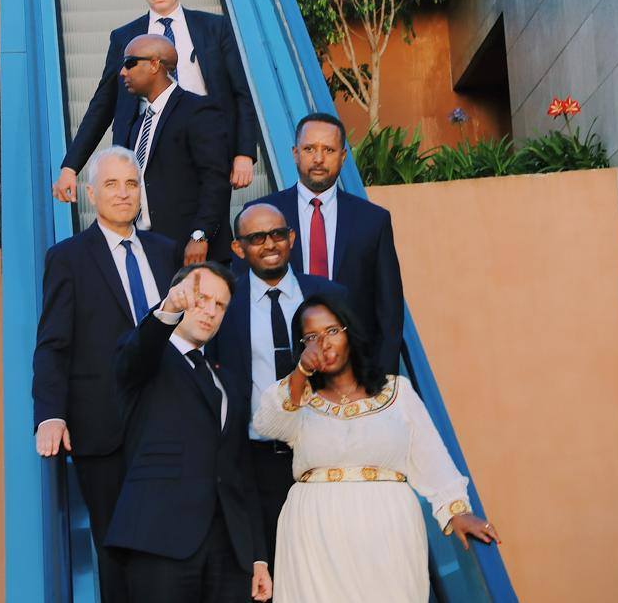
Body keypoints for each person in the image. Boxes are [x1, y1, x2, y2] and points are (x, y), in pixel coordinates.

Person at [253, 293, 500, 601]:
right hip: (313, 533)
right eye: (311, 338)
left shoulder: (398, 392)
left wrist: (456, 512)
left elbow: (431, 457)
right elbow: (265, 424)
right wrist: (300, 374)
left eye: (331, 331)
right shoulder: (299, 402)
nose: (323, 344)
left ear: (349, 332)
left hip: (387, 529)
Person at [32, 146, 180, 603]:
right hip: (103, 429)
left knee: (175, 543)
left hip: (169, 422)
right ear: (90, 194)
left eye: (131, 184)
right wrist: (51, 413)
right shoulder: (68, 258)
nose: (123, 193)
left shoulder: (166, 251)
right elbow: (54, 343)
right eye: (111, 185)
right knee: (117, 551)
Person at [106, 263, 272, 603]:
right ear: (179, 296)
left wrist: (257, 555)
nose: (210, 311)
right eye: (202, 299)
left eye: (220, 305)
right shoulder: (145, 356)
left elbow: (240, 471)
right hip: (160, 539)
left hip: (229, 549)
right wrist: (168, 310)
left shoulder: (225, 379)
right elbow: (138, 353)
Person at [53, 0, 261, 200]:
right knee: (150, 231)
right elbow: (103, 104)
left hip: (205, 144)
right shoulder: (124, 38)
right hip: (144, 148)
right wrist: (70, 166)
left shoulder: (214, 28)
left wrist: (244, 153)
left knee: (209, 227)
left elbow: (241, 93)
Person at [207, 203, 346, 569]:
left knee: (330, 565)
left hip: (325, 455)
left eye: (277, 234)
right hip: (258, 459)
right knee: (273, 567)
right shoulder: (224, 304)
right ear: (238, 248)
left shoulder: (329, 295)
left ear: (292, 238)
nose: (269, 244)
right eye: (256, 238)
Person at [242, 112, 404, 375]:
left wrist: (382, 384)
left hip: (354, 373)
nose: (318, 159)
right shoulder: (259, 215)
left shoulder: (373, 221)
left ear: (342, 156)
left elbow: (390, 314)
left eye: (328, 149)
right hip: (280, 371)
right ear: (295, 153)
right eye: (309, 149)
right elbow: (242, 298)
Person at [109, 33, 232, 263]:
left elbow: (216, 179)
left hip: (191, 253)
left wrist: (200, 235)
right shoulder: (138, 124)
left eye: (129, 63)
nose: (123, 72)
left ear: (155, 64)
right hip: (148, 250)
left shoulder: (198, 111)